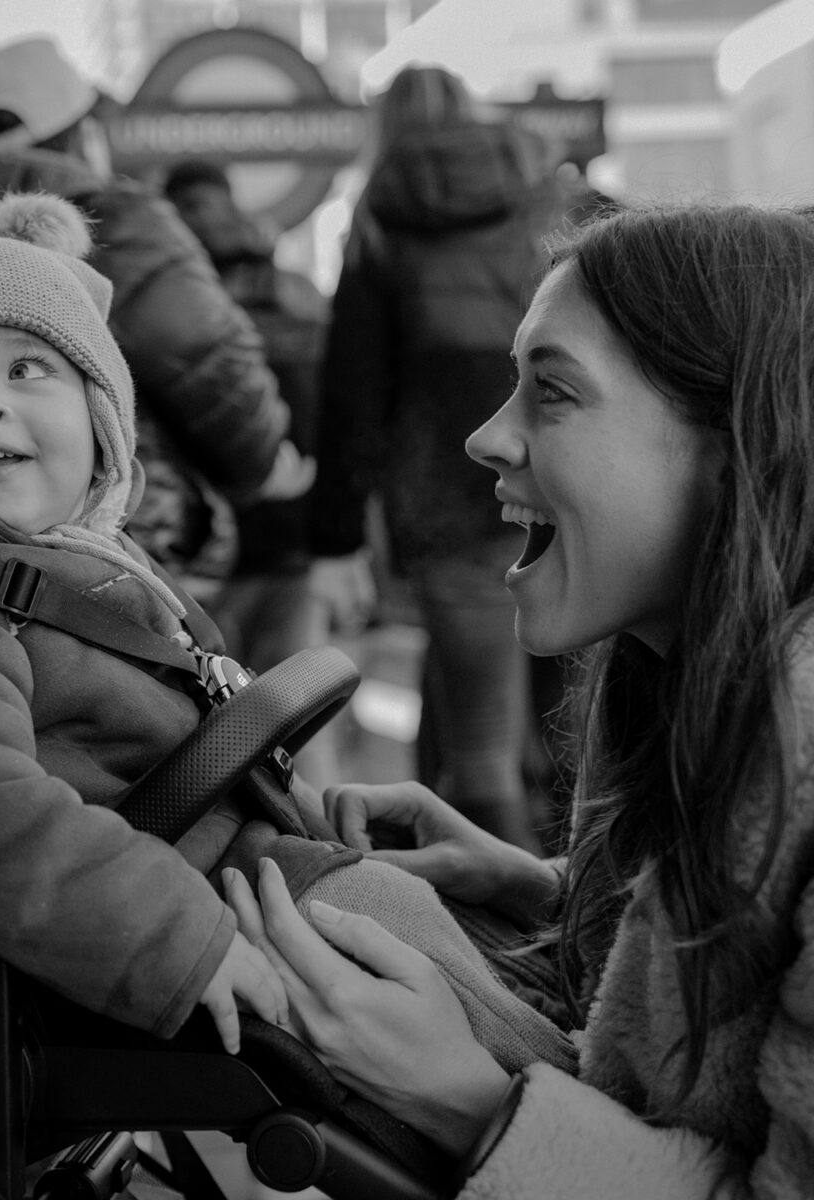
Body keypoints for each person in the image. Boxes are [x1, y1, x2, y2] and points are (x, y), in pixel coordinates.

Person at [0, 189, 578, 1077]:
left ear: (103, 414)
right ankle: (575, 1111)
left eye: (27, 369)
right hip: (204, 913)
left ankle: (577, 1054)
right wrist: (176, 941)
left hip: (254, 859)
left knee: (463, 919)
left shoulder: (79, 563)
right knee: (406, 935)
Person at [227, 203, 814, 1195]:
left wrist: (468, 1101)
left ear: (731, 447)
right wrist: (540, 889)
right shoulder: (715, 694)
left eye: (552, 393)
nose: (488, 437)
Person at [0, 36, 312, 606]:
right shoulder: (114, 215)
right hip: (127, 532)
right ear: (81, 131)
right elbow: (206, 352)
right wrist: (262, 461)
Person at [308, 64, 570, 852]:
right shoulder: (544, 194)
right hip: (567, 481)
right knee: (576, 726)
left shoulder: (381, 216)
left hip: (452, 498)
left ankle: (525, 931)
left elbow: (354, 393)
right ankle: (588, 906)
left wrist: (336, 536)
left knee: (483, 741)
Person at [162, 158, 338, 789]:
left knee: (204, 733)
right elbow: (335, 418)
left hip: (204, 549)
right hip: (293, 536)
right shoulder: (299, 291)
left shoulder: (169, 304)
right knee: (300, 721)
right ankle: (332, 859)